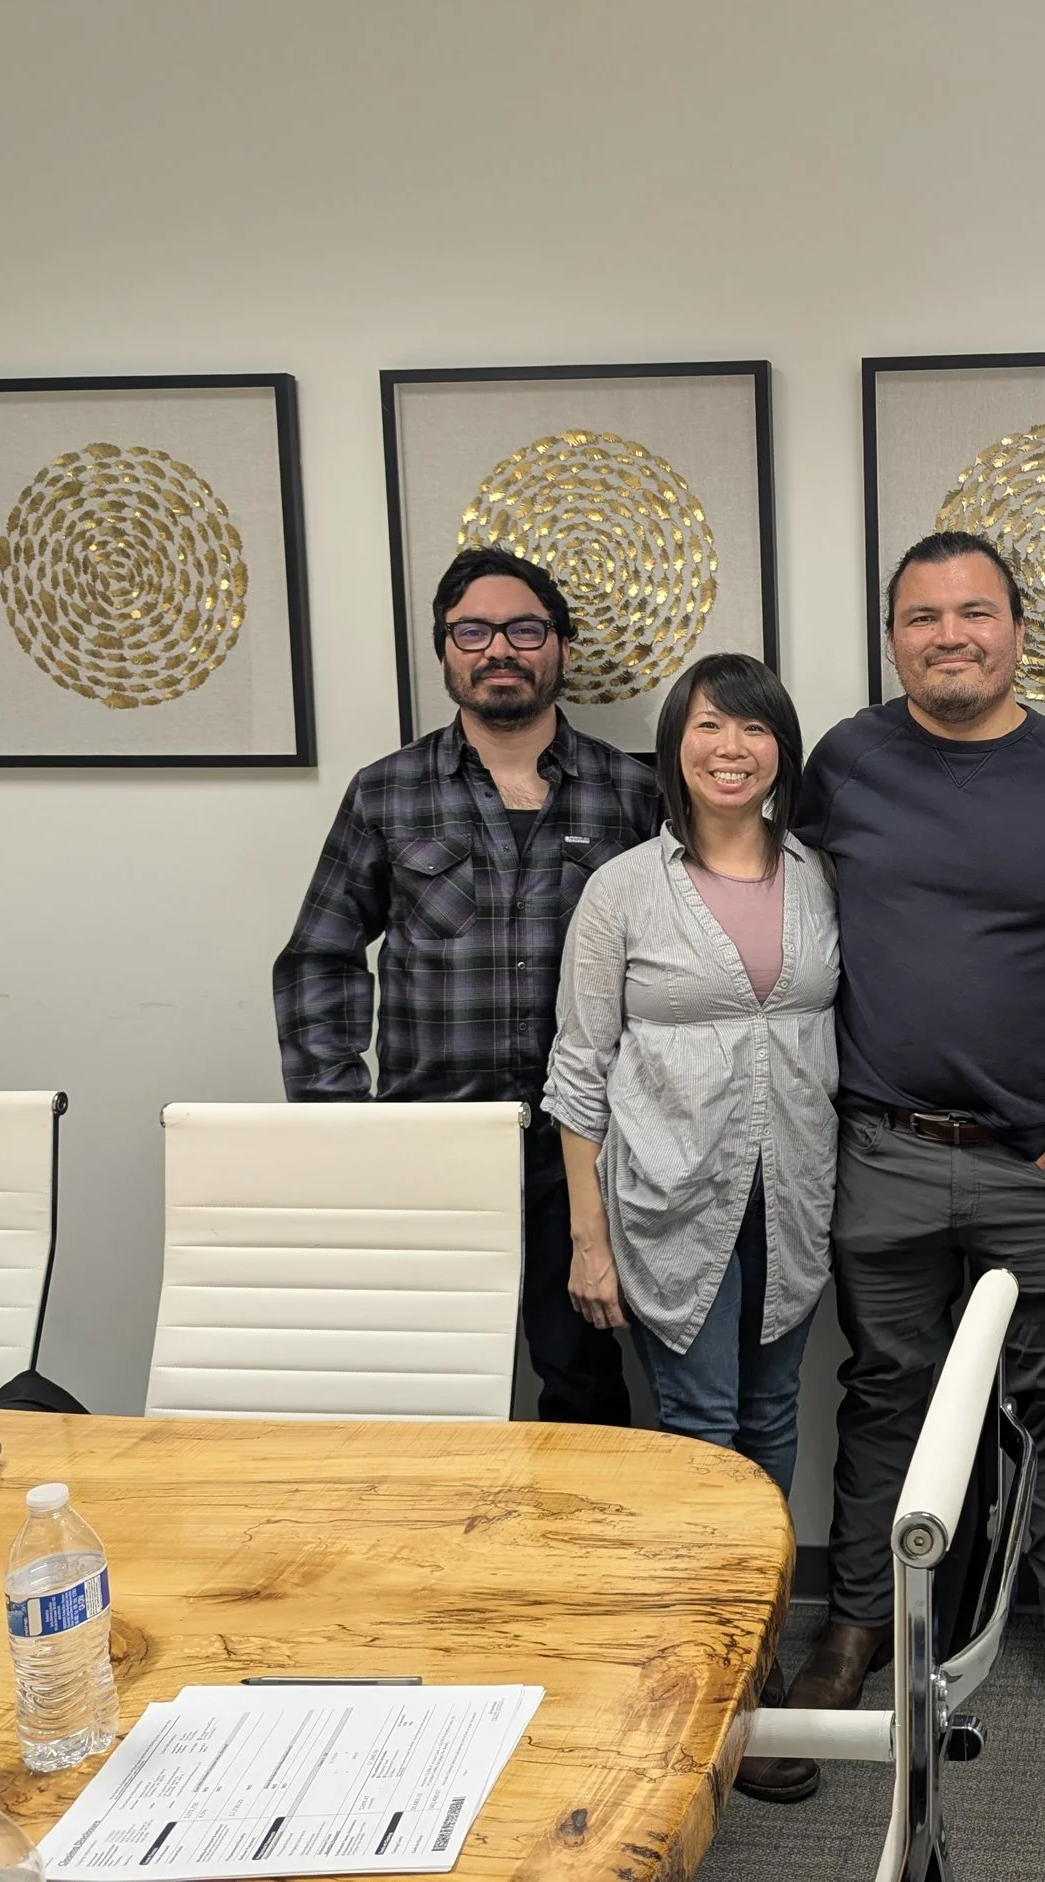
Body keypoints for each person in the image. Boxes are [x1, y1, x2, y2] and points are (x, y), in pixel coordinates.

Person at [757, 530, 1045, 1797]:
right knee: (884, 1397)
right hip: (878, 1149)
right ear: (894, 639)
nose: (949, 636)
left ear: (1016, 631)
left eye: (972, 613)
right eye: (922, 617)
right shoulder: (846, 762)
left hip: (1037, 1162)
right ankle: (853, 1632)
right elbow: (765, 884)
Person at [541, 651, 838, 1800]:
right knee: (702, 1437)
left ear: (780, 749)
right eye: (709, 727)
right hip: (667, 1203)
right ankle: (708, 1699)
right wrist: (588, 1238)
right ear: (675, 746)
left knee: (770, 1430)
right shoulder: (623, 887)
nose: (731, 748)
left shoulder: (820, 875)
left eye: (753, 729)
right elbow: (578, 1068)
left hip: (795, 1195)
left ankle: (751, 1666)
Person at [273, 545, 658, 1428]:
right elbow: (319, 960)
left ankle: (574, 1561)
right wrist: (345, 1124)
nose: (500, 650)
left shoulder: (631, 796)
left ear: (560, 646)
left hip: (586, 1152)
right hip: (434, 1147)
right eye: (473, 631)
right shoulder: (388, 794)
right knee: (428, 1384)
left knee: (587, 1379)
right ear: (445, 650)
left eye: (525, 629)